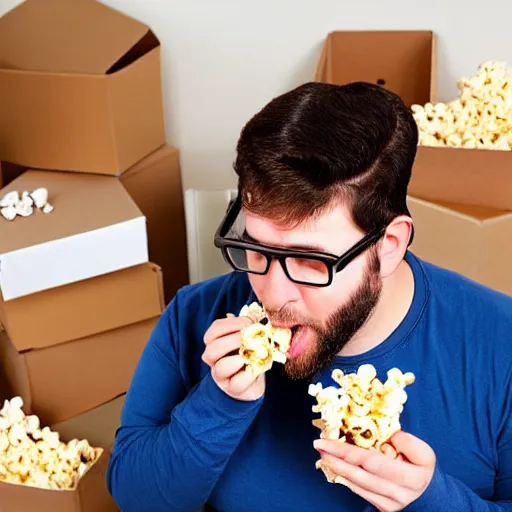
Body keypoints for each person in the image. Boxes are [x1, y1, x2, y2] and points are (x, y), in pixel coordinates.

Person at [106, 81, 512, 512]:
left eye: (311, 262)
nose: (274, 296)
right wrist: (218, 404)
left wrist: (432, 502)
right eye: (257, 248)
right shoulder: (193, 317)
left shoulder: (501, 347)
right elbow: (135, 498)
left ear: (388, 245)